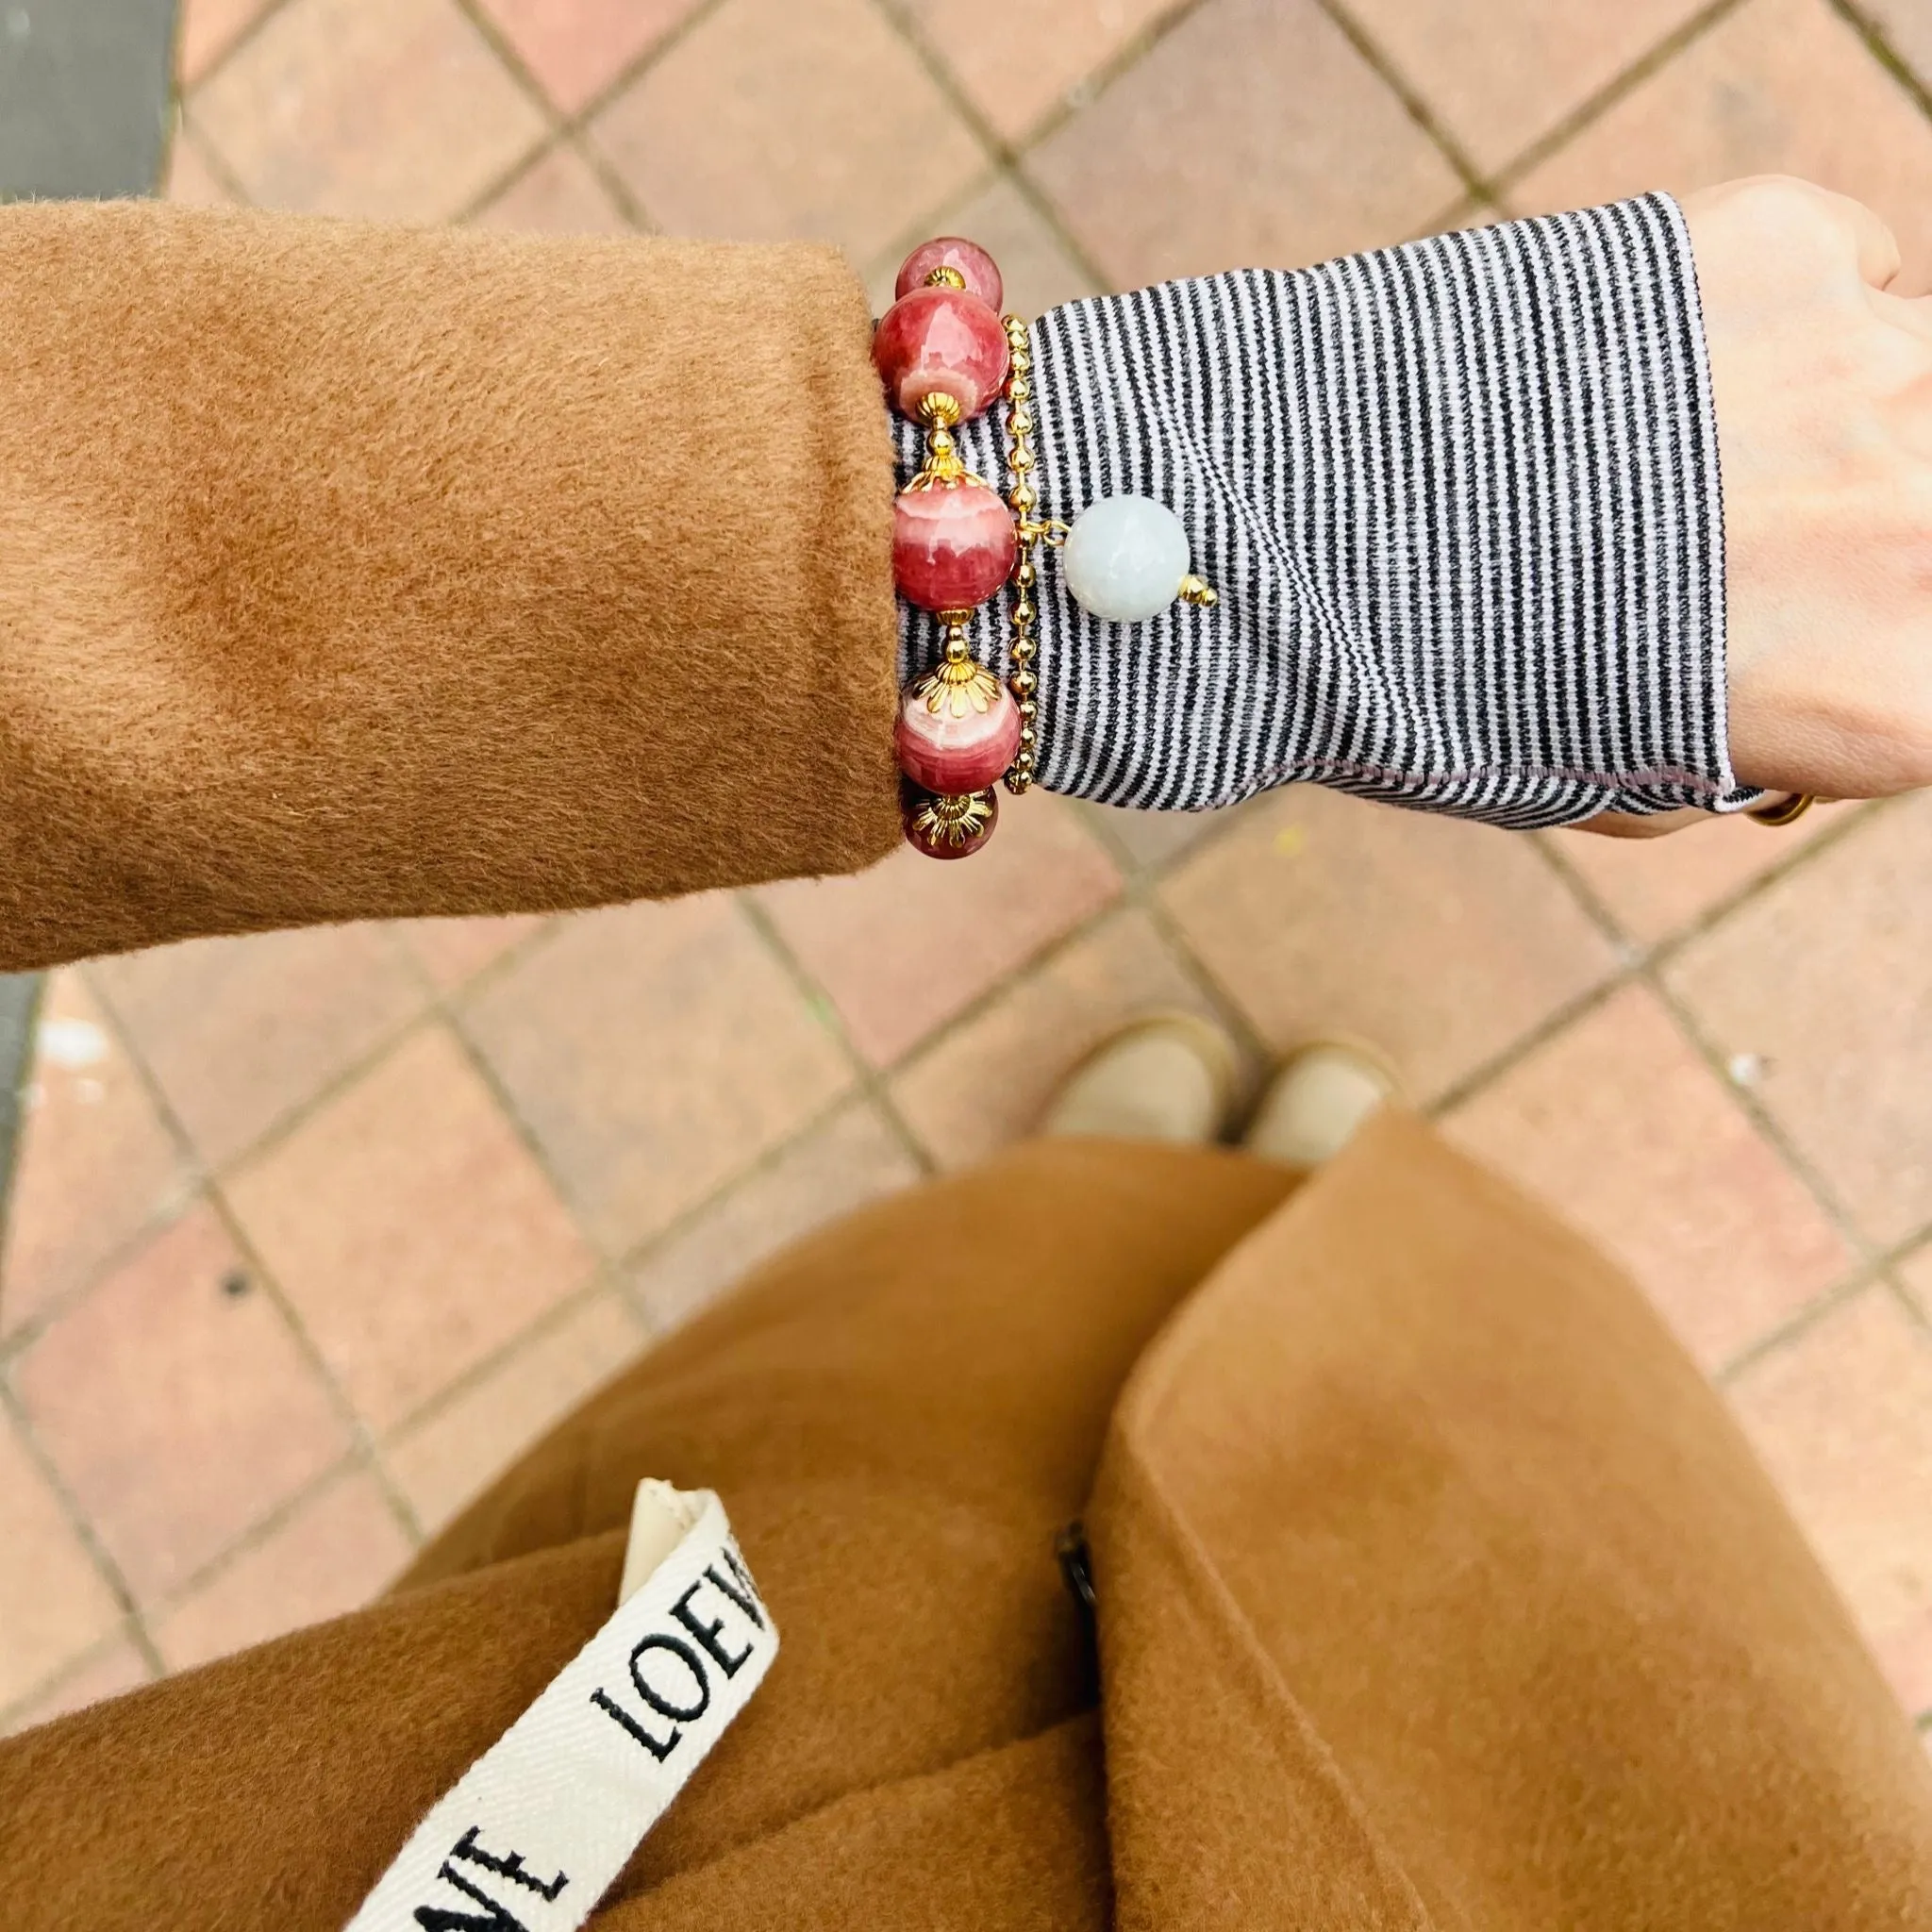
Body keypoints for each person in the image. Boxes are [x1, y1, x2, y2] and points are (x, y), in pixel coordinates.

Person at [1, 173, 1929, 1927]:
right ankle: (1262, 1220)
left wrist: (1247, 504)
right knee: (1479, 1389)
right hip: (1560, 1809)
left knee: (987, 1312)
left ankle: (1104, 1211)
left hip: (710, 1621)